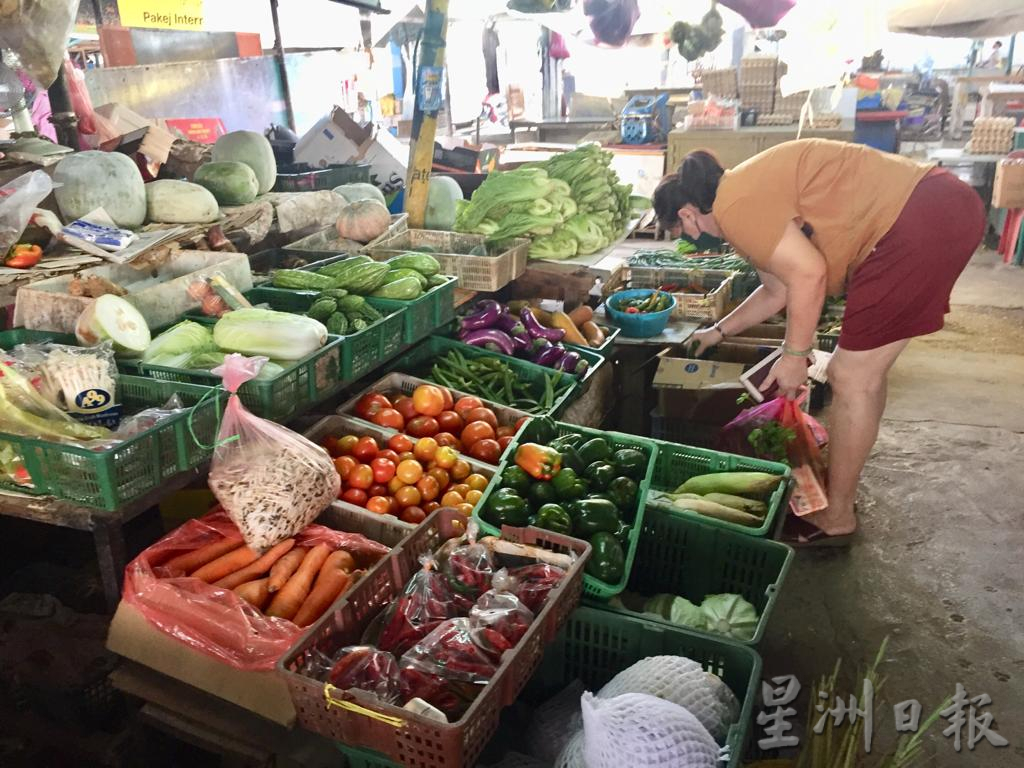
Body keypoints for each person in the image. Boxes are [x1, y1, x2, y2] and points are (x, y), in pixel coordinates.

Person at [652, 140, 985, 544]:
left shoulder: (736, 208)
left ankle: (837, 515)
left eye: (678, 230)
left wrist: (795, 356)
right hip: (934, 206)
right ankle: (840, 493)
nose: (686, 238)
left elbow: (809, 275)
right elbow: (777, 291)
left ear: (687, 215)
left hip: (917, 221)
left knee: (850, 377)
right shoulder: (740, 195)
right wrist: (717, 331)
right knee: (864, 377)